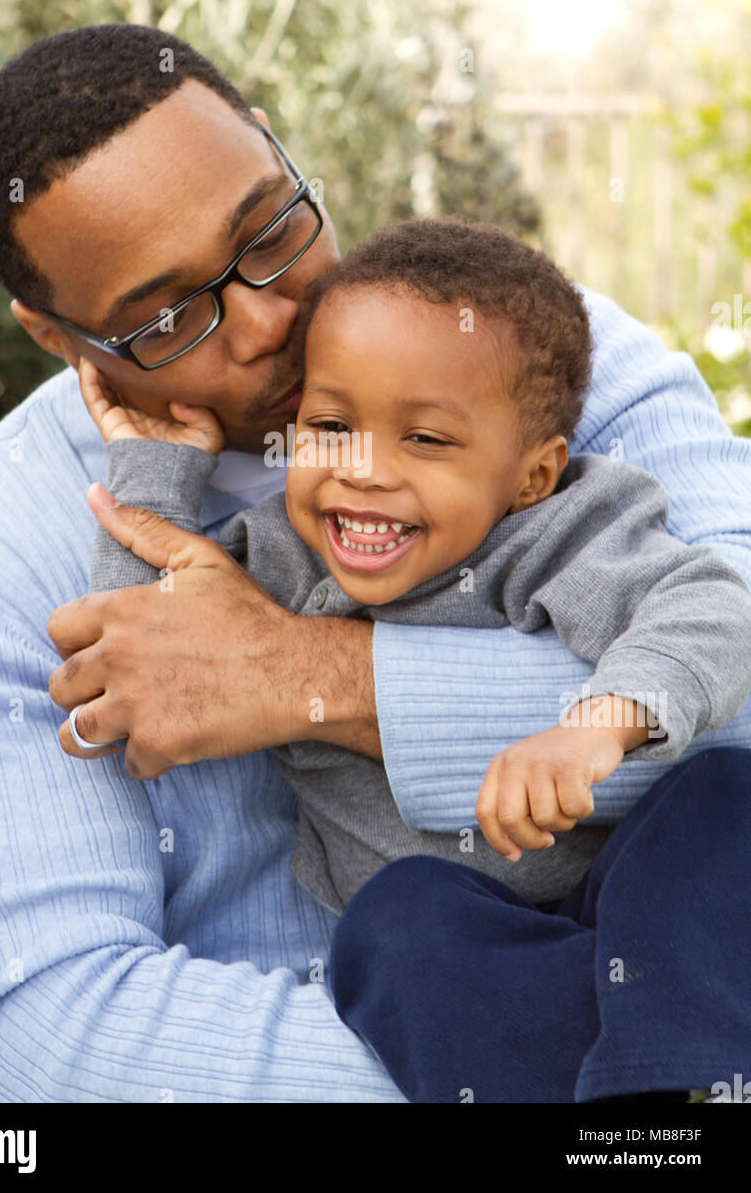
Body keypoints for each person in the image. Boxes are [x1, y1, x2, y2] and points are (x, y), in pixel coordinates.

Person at [0, 24, 749, 1103]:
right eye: (164, 317)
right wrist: (555, 1049)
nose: (268, 317)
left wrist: (306, 675)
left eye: (269, 230)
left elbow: (733, 650)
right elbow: (48, 1040)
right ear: (57, 339)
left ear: (277, 145)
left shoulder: (544, 358)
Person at [75, 216, 751, 1102]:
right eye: (329, 424)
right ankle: (629, 1110)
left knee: (725, 796)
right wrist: (156, 470)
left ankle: (692, 1081)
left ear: (531, 475)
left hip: (632, 910)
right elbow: (129, 646)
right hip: (461, 953)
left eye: (424, 439)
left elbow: (713, 609)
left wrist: (598, 724)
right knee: (393, 924)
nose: (360, 470)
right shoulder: (278, 559)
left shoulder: (554, 533)